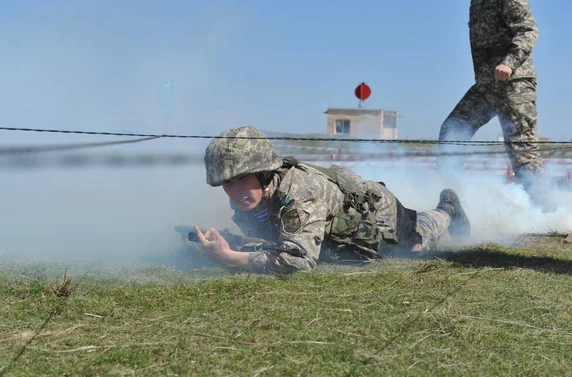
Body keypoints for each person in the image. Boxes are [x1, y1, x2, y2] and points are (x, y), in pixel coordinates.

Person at [192, 126, 471, 275]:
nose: (236, 190)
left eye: (243, 179)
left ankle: (448, 209)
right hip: (338, 224)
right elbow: (278, 238)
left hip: (379, 216)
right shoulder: (251, 196)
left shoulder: (299, 194)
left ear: (265, 173)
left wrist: (230, 257)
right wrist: (238, 244)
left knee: (417, 241)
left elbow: (296, 261)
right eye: (227, 183)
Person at [436, 0, 543, 192]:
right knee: (453, 128)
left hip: (514, 82)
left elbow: (528, 30)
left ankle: (545, 214)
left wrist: (509, 63)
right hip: (486, 84)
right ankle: (448, 200)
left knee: (523, 153)